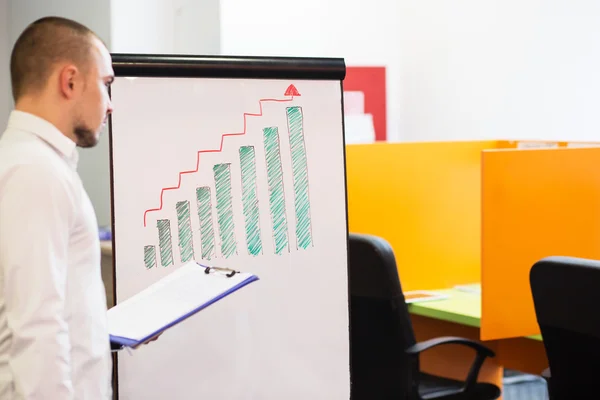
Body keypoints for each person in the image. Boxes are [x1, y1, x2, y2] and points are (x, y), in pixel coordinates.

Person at [0, 16, 115, 398]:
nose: (110, 105)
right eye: (105, 85)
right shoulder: (36, 172)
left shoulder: (37, 164)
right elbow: (36, 327)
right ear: (69, 81)